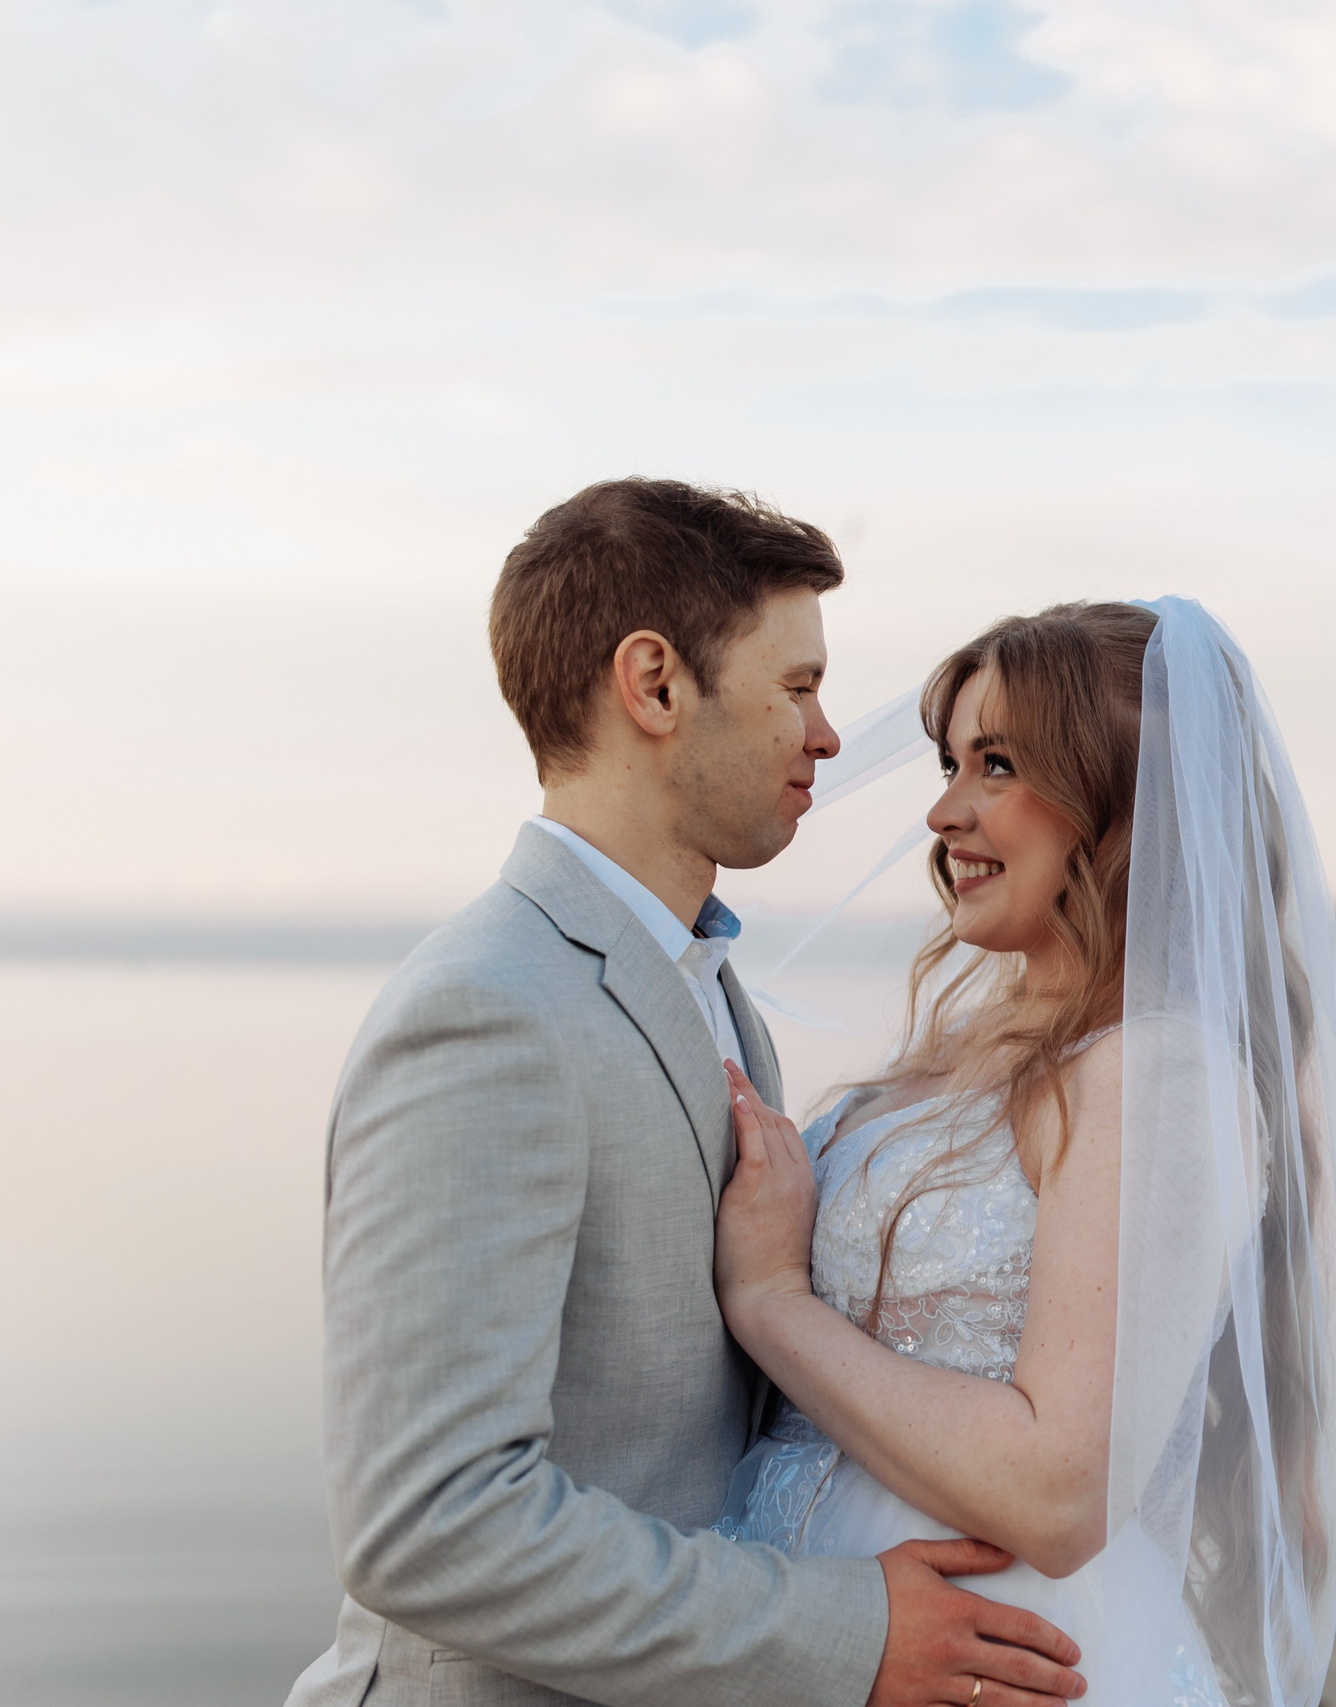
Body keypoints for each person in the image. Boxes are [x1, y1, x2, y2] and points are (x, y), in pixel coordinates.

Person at [286, 479, 1087, 1707]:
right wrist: (842, 1632)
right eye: (797, 687)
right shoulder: (487, 1011)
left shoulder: (706, 985)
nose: (828, 736)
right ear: (655, 685)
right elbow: (431, 1525)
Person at [710, 599, 1336, 1707]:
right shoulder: (980, 1045)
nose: (943, 811)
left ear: (1122, 804)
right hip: (831, 1629)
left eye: (998, 766)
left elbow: (1060, 1496)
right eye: (952, 762)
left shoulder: (1161, 1076)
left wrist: (771, 1301)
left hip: (1010, 1659)